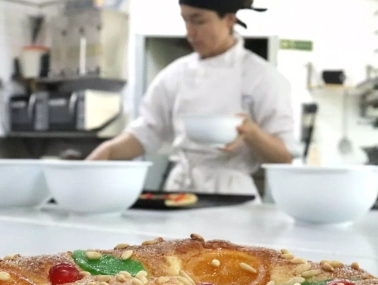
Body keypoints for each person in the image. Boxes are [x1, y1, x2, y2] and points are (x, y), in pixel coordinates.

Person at [87, 0, 300, 196]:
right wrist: (103, 155)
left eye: (199, 21)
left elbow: (284, 158)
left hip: (233, 195)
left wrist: (251, 132)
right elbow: (145, 133)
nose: (190, 32)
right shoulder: (176, 75)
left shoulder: (262, 77)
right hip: (179, 190)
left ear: (229, 20)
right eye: (185, 21)